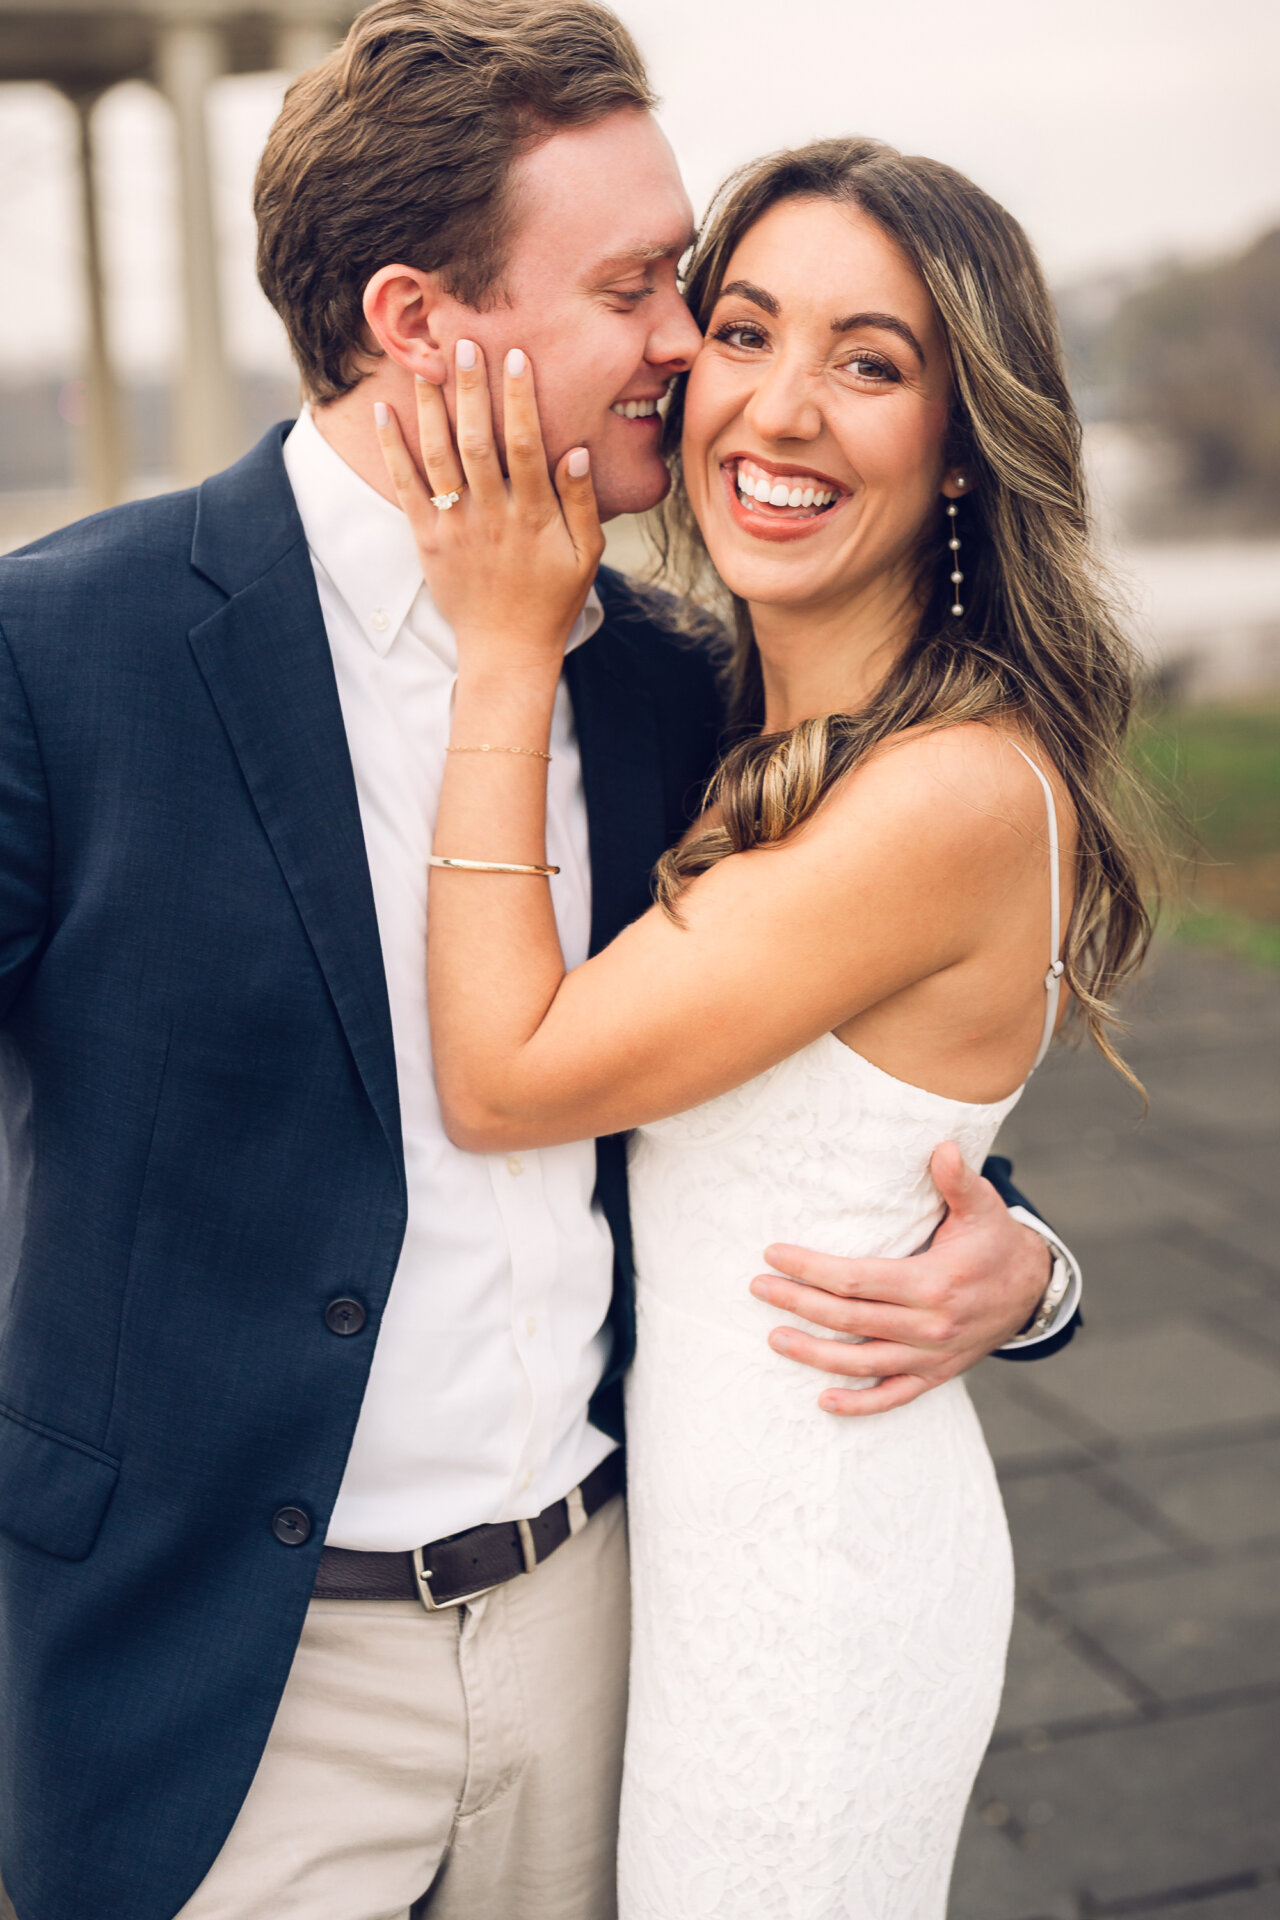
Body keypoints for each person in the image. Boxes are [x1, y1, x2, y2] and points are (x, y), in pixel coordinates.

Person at [0, 9, 1081, 1920]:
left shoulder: (674, 682)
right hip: (223, 1677)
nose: (686, 346)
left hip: (619, 1631)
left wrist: (1023, 1264)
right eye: (641, 289)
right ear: (420, 322)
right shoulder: (61, 653)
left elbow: (813, 1062)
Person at [377, 135, 1151, 1918]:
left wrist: (504, 644)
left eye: (869, 364)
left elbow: (509, 1078)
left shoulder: (943, 793)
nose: (779, 407)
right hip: (697, 1564)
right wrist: (1028, 1262)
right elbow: (842, 1147)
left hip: (813, 1598)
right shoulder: (747, 724)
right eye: (744, 330)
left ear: (965, 444)